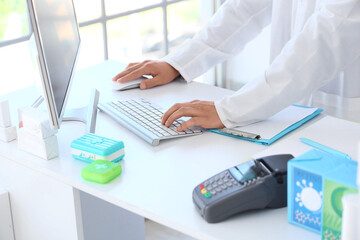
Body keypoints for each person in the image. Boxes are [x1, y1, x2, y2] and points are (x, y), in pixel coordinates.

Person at [112, 0, 360, 132]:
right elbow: (245, 9)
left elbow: (324, 42)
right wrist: (179, 62)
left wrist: (231, 109)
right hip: (292, 108)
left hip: (344, 115)